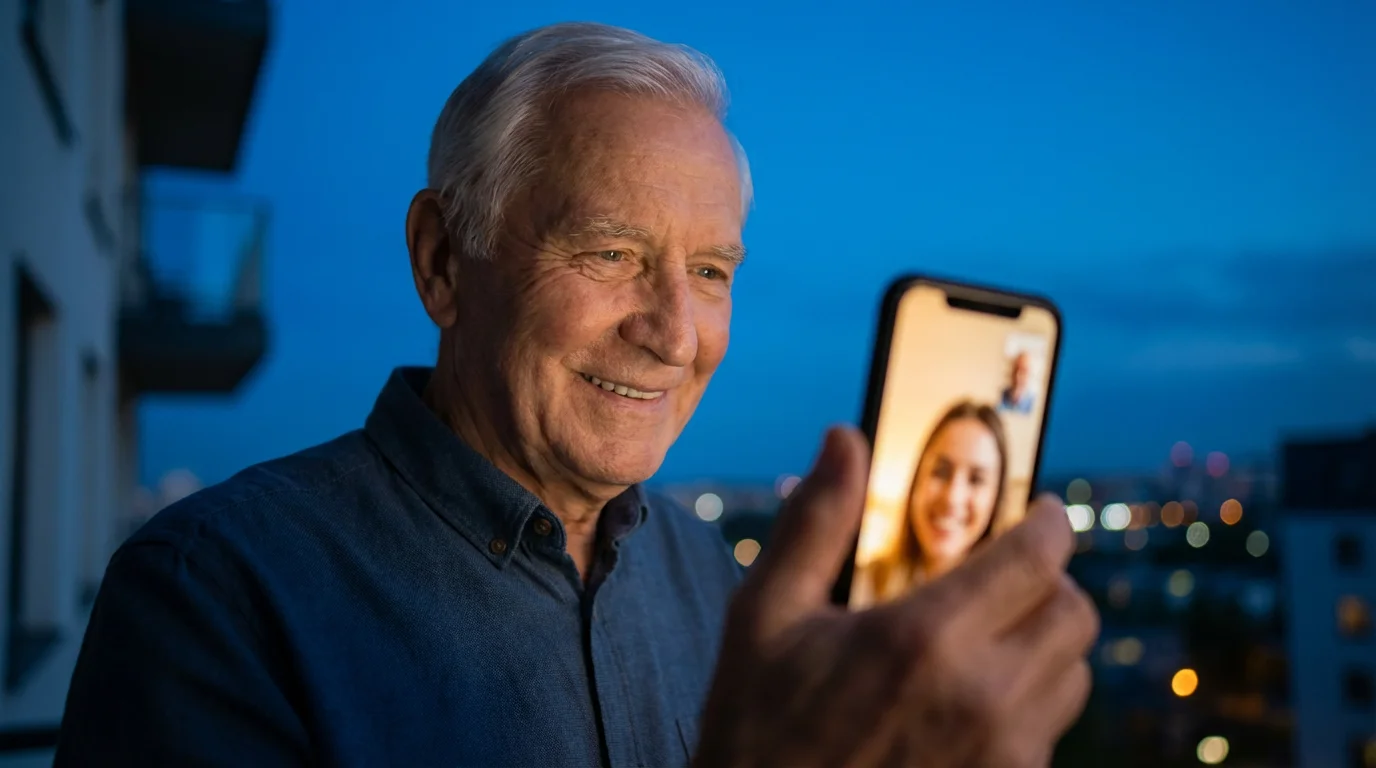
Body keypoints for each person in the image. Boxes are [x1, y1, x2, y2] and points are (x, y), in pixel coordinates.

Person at [56, 22, 1098, 767]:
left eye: (711, 272)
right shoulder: (216, 598)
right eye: (609, 253)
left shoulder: (709, 581)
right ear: (441, 263)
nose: (674, 335)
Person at [856, 401, 1013, 604]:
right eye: (941, 471)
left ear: (995, 501)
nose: (952, 498)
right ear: (917, 480)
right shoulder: (864, 583)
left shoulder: (1007, 609)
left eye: (976, 480)